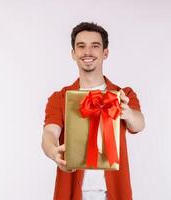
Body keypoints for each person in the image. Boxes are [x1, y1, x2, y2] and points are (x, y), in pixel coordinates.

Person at [42, 22, 145, 200]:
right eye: (81, 46)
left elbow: (139, 124)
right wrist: (54, 152)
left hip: (114, 192)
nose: (87, 52)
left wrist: (127, 113)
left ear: (105, 52)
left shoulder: (123, 94)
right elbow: (50, 132)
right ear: (73, 54)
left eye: (95, 46)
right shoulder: (60, 97)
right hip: (72, 191)